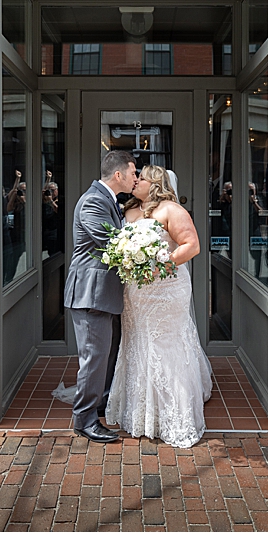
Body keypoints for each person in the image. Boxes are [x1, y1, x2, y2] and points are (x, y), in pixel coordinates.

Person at [106, 165, 213, 448]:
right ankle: (142, 414)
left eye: (141, 177)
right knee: (138, 343)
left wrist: (159, 265)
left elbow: (191, 246)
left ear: (156, 183)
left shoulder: (171, 210)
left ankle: (175, 416)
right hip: (136, 294)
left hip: (167, 289)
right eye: (135, 176)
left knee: (166, 345)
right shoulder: (127, 211)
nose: (135, 180)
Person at [64, 150, 138, 443]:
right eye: (134, 173)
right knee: (94, 358)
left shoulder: (109, 200)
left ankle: (98, 407)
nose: (136, 178)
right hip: (90, 294)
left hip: (103, 294)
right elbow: (112, 244)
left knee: (104, 356)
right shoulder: (94, 201)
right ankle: (84, 420)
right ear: (118, 175)